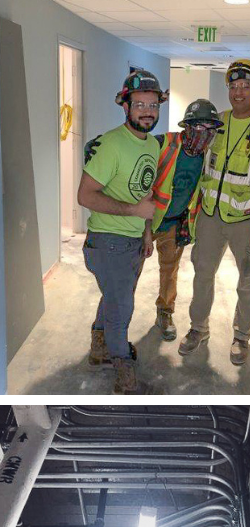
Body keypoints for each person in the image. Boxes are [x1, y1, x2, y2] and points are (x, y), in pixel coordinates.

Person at [179, 59, 250, 365]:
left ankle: (241, 336)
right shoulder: (217, 121)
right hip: (210, 215)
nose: (238, 92)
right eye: (233, 87)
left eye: (245, 87)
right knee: (202, 275)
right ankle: (198, 328)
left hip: (247, 218)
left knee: (247, 280)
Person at [77, 69, 165, 394]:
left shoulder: (152, 145)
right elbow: (85, 196)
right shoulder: (111, 145)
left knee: (114, 298)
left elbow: (143, 193)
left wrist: (145, 232)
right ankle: (123, 374)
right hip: (108, 242)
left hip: (131, 240)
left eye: (153, 105)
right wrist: (133, 212)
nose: (147, 111)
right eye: (140, 104)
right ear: (125, 106)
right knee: (121, 309)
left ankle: (99, 349)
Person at [147, 99, 224, 341]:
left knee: (169, 271)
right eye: (199, 128)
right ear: (187, 127)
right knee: (128, 273)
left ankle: (165, 312)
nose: (204, 135)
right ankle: (115, 321)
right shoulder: (162, 144)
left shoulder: (208, 158)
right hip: (144, 223)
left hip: (174, 223)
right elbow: (128, 148)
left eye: (210, 130)